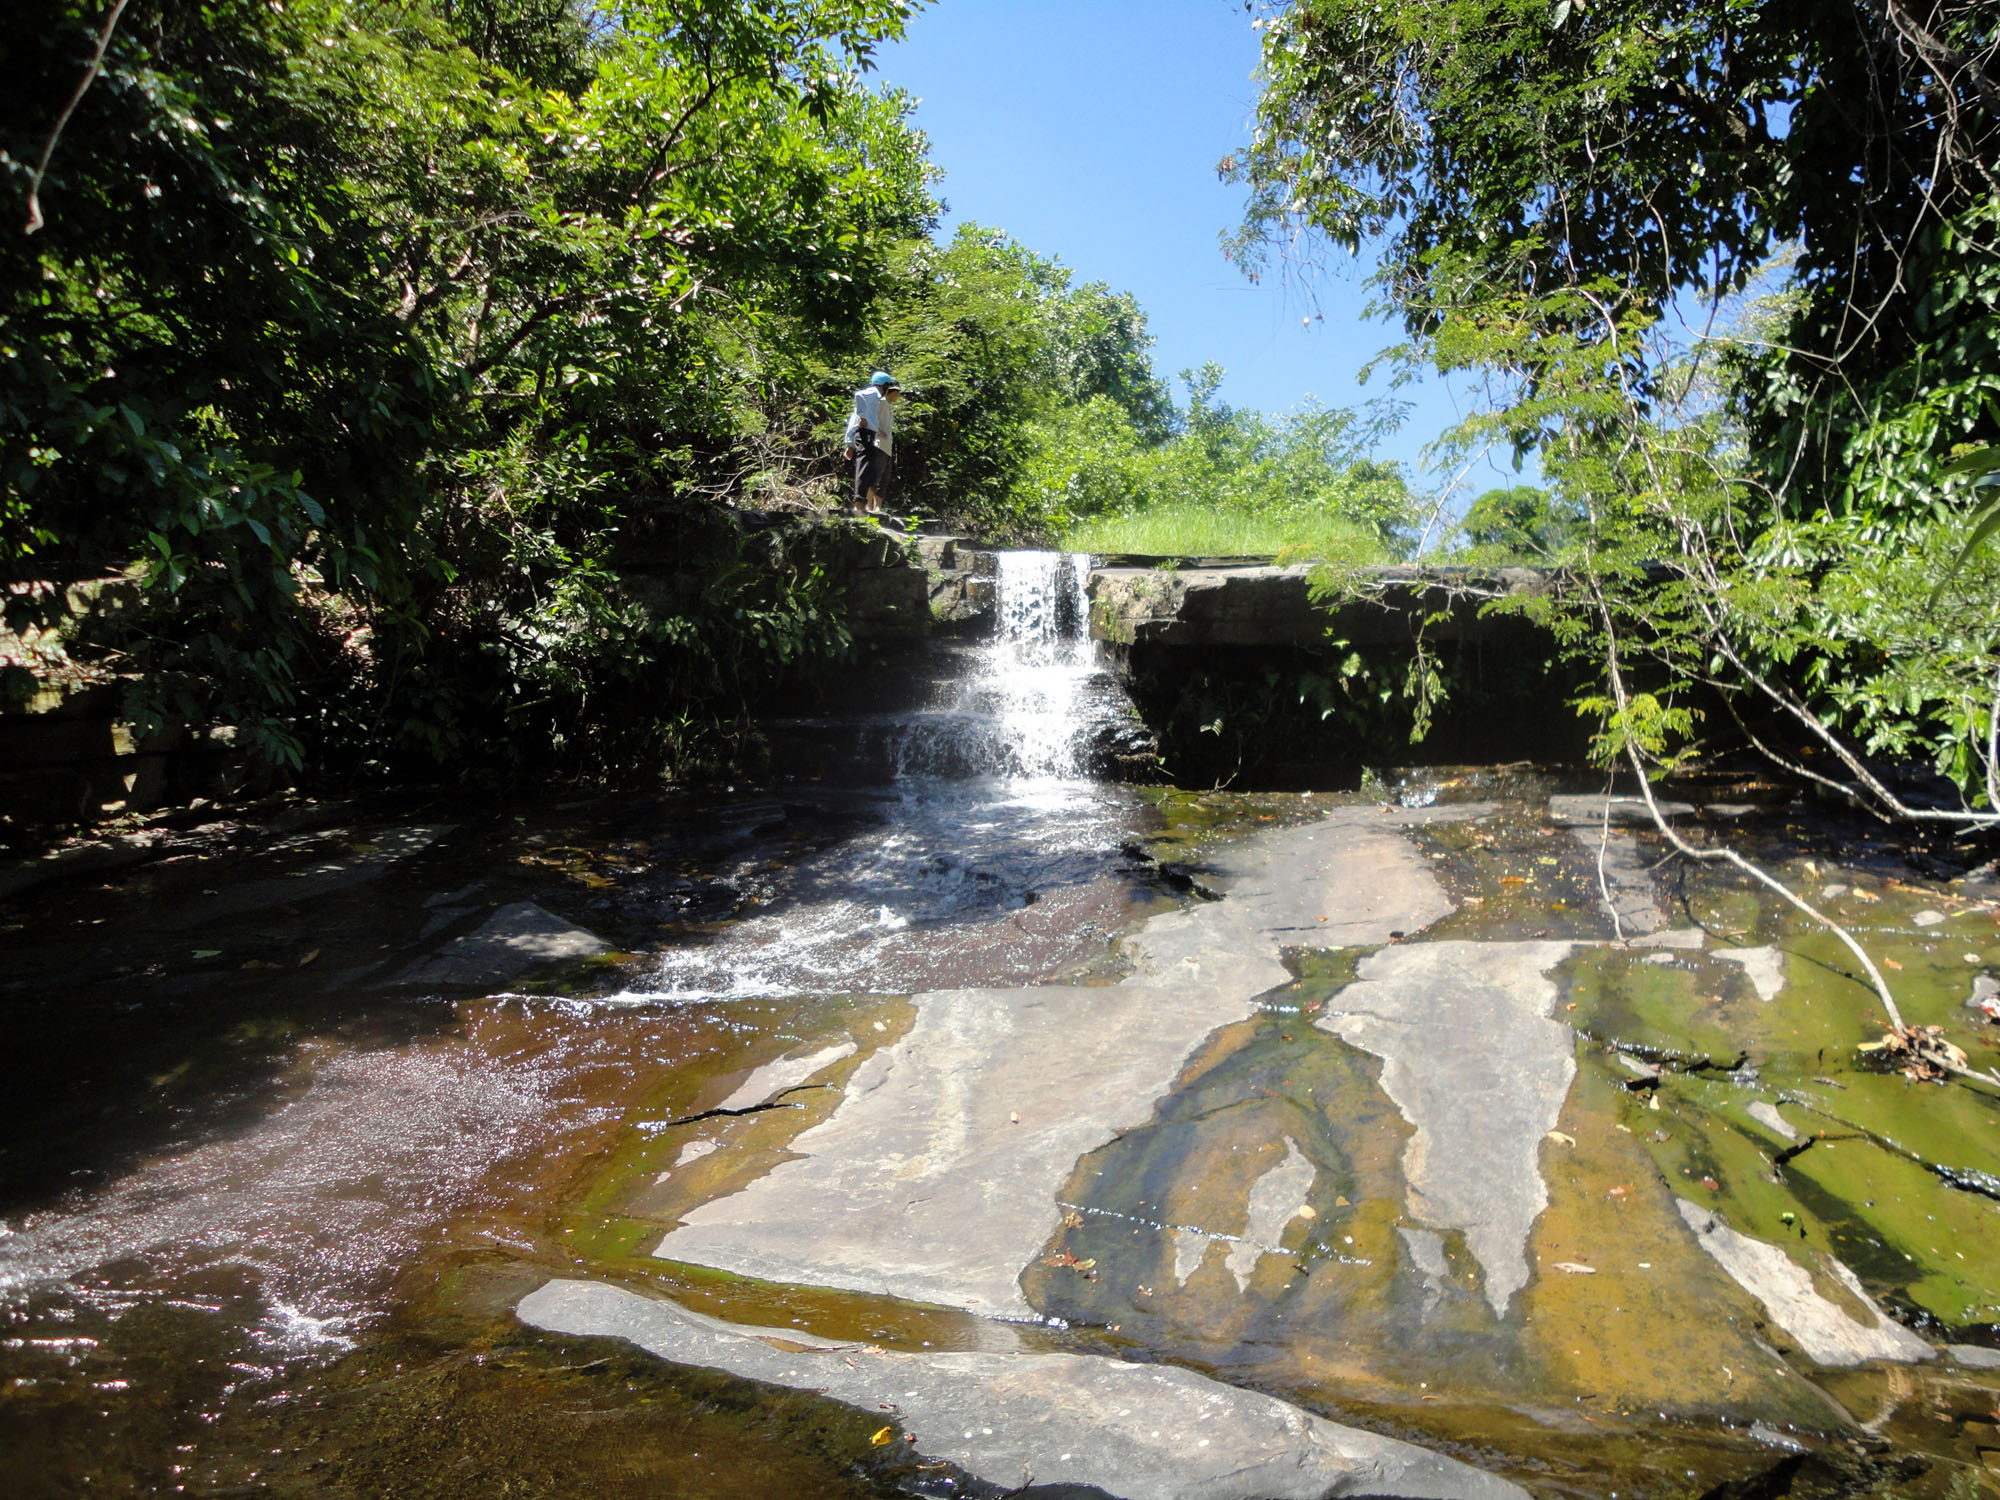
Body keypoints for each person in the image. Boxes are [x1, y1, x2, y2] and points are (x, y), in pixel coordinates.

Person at [842, 370, 901, 515]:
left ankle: (861, 504)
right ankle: (860, 505)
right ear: (885, 385)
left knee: (869, 470)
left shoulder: (878, 400)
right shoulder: (874, 394)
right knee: (865, 468)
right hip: (866, 434)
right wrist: (862, 417)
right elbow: (858, 397)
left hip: (871, 435)